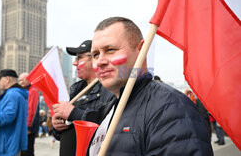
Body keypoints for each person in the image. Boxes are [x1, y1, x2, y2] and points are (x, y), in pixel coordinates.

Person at [87, 17, 213, 155]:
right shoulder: (110, 108)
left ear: (142, 50)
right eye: (95, 54)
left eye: (110, 49)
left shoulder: (170, 107)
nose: (100, 61)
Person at [52, 40, 114, 156]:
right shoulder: (76, 89)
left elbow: (108, 126)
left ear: (96, 58)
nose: (75, 63)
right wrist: (57, 126)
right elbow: (62, 133)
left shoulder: (109, 88)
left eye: (79, 58)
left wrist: (74, 113)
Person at [0, 69, 28, 156]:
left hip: (6, 144)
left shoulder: (12, 95)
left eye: (0, 79)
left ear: (7, 79)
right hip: (10, 142)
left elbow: (7, 117)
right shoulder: (17, 94)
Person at [19, 72, 40, 156]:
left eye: (24, 79)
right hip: (25, 126)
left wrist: (28, 127)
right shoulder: (26, 91)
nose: (21, 82)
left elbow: (31, 110)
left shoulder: (32, 91)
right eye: (20, 80)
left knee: (27, 151)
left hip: (28, 128)